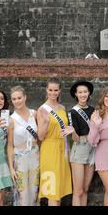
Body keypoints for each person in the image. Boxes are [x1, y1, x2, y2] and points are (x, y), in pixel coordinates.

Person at [37, 78, 74, 206]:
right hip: (49, 150)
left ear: (60, 91)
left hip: (62, 149)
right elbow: (40, 137)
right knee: (51, 190)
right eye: (50, 90)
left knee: (60, 190)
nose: (53, 93)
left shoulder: (62, 108)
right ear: (46, 90)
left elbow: (64, 129)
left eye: (56, 90)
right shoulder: (42, 109)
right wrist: (46, 122)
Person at [7, 86, 39, 206]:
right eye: (14, 99)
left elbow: (40, 137)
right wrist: (11, 168)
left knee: (34, 192)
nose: (17, 101)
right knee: (23, 195)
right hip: (20, 159)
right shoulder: (11, 120)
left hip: (35, 156)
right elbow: (9, 146)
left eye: (19, 98)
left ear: (25, 97)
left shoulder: (34, 114)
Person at [69, 80, 95, 206]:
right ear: (76, 94)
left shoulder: (93, 110)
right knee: (78, 191)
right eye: (80, 92)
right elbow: (75, 139)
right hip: (79, 147)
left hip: (92, 148)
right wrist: (73, 132)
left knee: (85, 189)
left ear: (89, 93)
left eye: (85, 92)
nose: (83, 94)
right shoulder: (73, 112)